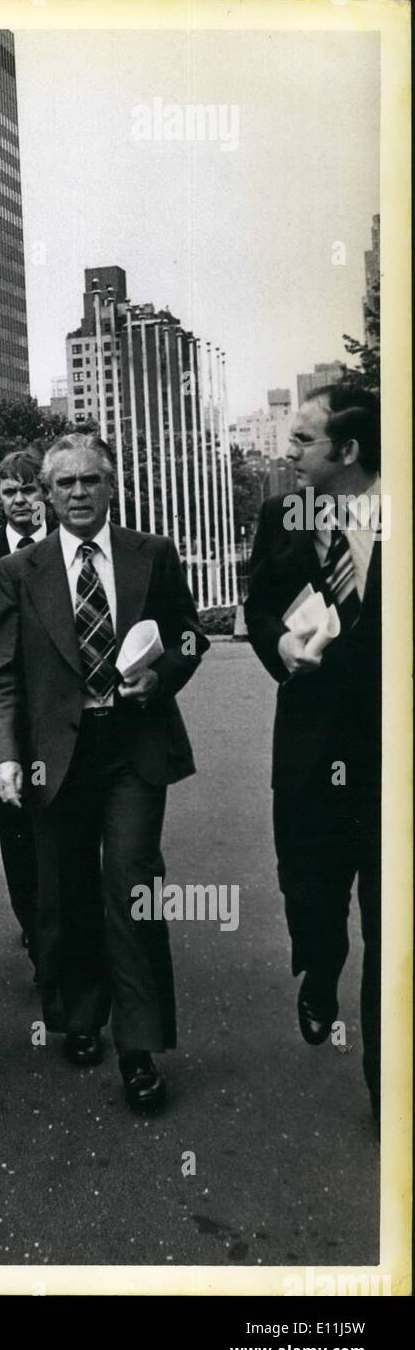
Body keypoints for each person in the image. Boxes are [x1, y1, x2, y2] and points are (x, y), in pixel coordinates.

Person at [0, 432, 208, 1114]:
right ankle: (79, 1014)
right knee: (64, 891)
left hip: (133, 750)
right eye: (65, 484)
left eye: (91, 481)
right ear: (46, 496)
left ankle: (139, 1048)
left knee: (132, 885)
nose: (79, 493)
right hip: (54, 756)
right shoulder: (18, 573)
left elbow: (190, 636)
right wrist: (3, 757)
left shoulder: (152, 556)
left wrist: (162, 679)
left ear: (111, 487)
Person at [245, 383, 381, 1121]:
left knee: (391, 913)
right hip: (306, 739)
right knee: (310, 884)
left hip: (390, 752)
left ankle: (383, 1083)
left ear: (348, 450)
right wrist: (279, 643)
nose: (286, 452)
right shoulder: (280, 514)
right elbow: (258, 603)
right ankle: (319, 968)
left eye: (302, 441)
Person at [0, 449, 53, 969]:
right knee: (18, 831)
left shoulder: (69, 547)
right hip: (8, 714)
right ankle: (35, 926)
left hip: (65, 713)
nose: (21, 500)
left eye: (29, 489)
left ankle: (69, 927)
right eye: (10, 491)